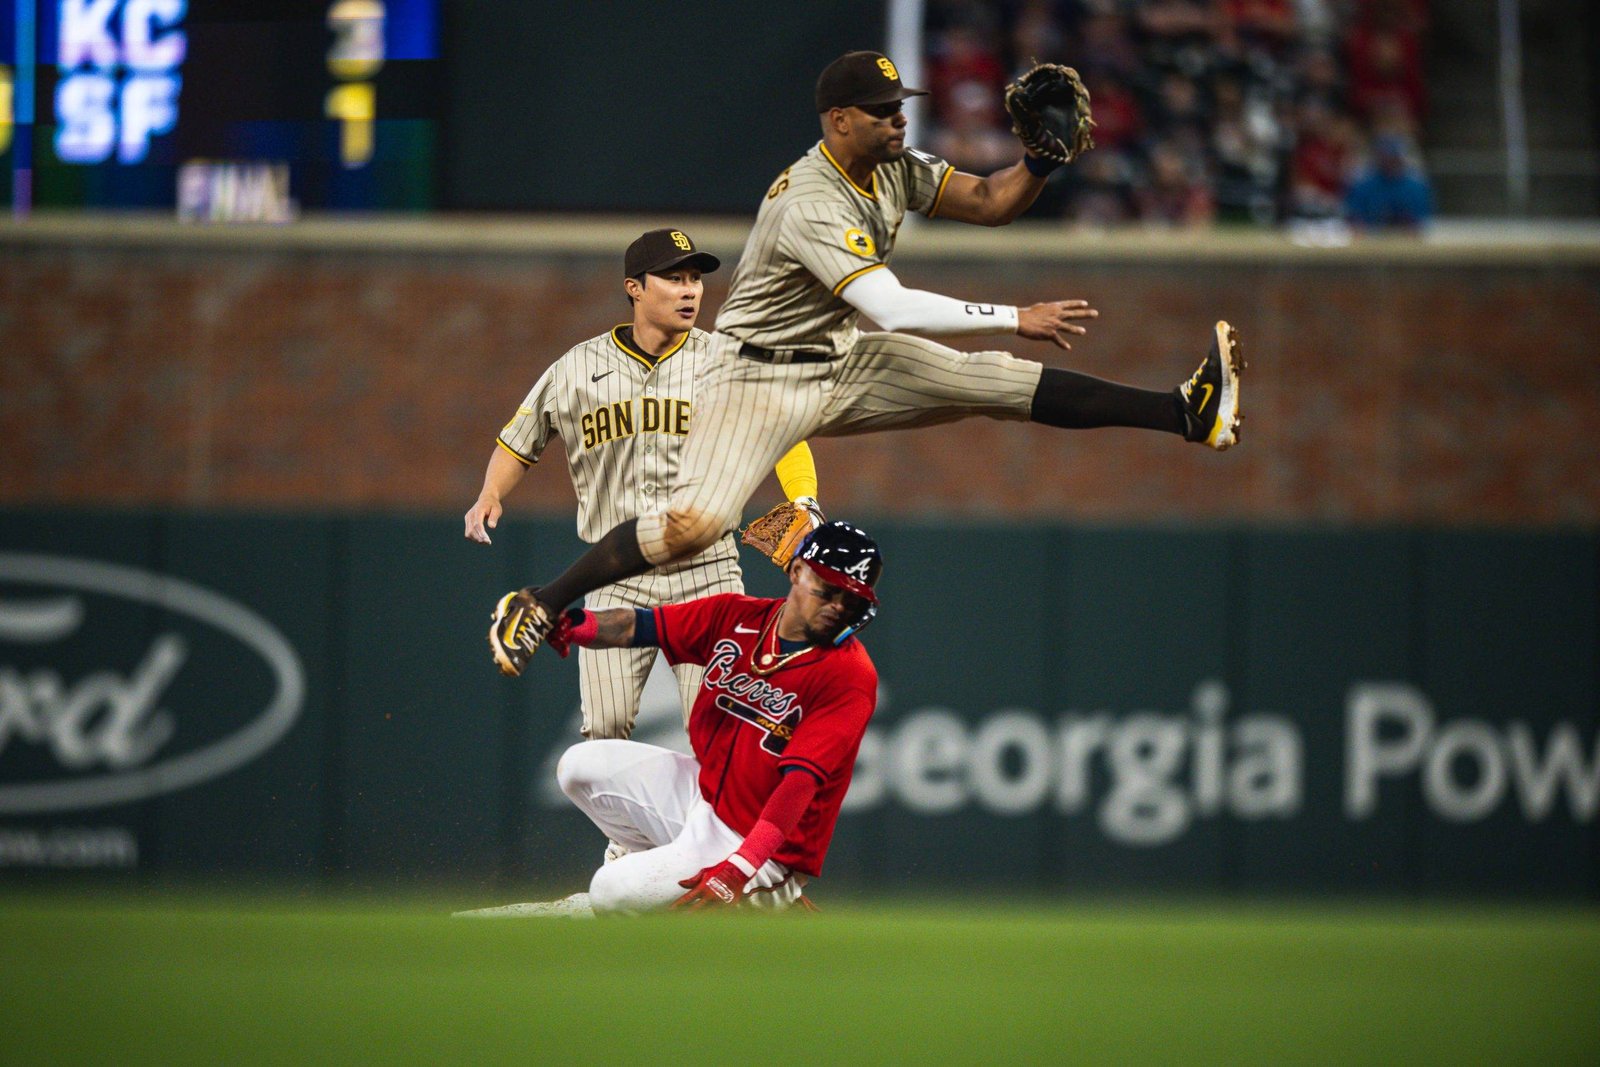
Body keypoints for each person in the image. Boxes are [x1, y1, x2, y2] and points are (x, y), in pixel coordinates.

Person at [487, 50, 1244, 677]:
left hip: (838, 356)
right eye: (882, 111)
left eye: (900, 106)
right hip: (756, 376)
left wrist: (1038, 164)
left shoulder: (889, 166)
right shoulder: (812, 199)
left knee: (991, 381)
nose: (899, 120)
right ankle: (544, 599)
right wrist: (1017, 316)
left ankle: (1186, 410)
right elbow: (895, 307)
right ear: (838, 120)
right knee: (696, 522)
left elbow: (985, 199)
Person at [467, 228, 823, 856]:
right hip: (612, 573)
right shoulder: (577, 367)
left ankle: (707, 859)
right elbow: (520, 436)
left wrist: (802, 502)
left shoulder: (725, 358)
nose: (691, 291)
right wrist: (490, 492)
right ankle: (632, 856)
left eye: (696, 278)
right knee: (602, 734)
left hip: (708, 570)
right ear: (635, 288)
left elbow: (786, 434)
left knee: (715, 729)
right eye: (675, 278)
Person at [517, 521, 884, 917]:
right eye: (828, 591)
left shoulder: (850, 675)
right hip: (703, 798)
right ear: (796, 571)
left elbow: (799, 785)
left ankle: (766, 900)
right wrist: (571, 625)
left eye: (851, 601)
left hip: (764, 847)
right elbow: (640, 626)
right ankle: (676, 873)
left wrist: (738, 870)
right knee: (578, 766)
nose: (838, 608)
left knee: (610, 891)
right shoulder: (738, 617)